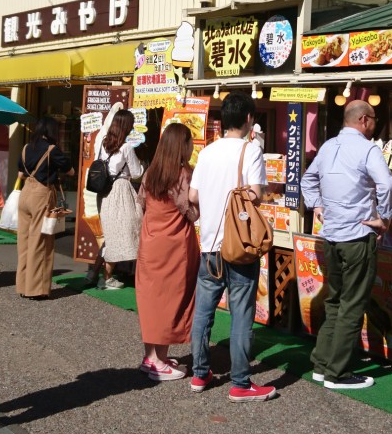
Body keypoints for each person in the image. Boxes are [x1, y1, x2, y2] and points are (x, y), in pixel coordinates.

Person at [301, 100, 392, 390]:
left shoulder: (328, 146)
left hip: (331, 238)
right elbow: (387, 185)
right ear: (364, 120)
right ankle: (338, 373)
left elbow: (308, 179)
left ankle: (322, 364)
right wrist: (386, 218)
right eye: (374, 120)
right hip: (356, 236)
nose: (375, 125)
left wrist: (316, 205)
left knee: (334, 301)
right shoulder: (368, 149)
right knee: (352, 306)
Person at [187, 92, 276, 402]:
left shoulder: (207, 152)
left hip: (209, 245)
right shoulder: (251, 151)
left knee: (204, 313)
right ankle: (240, 382)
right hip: (239, 246)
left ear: (222, 120)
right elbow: (255, 194)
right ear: (249, 119)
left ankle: (199, 374)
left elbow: (194, 196)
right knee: (241, 313)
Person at [134, 122, 199, 381]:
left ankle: (151, 356)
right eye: (190, 141)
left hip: (150, 243)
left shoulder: (152, 171)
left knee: (152, 299)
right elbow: (191, 212)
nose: (192, 145)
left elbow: (141, 202)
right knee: (170, 300)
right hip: (173, 248)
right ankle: (157, 361)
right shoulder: (182, 175)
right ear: (181, 146)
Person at [16, 116, 73, 299]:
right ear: (51, 131)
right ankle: (36, 289)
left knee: (24, 240)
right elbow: (70, 170)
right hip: (41, 195)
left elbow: (20, 174)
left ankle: (23, 286)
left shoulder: (26, 148)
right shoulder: (52, 150)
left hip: (25, 194)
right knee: (40, 241)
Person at [95, 108, 144, 289]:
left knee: (112, 234)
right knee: (134, 229)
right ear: (127, 126)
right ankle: (108, 277)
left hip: (104, 193)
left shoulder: (102, 142)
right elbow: (137, 173)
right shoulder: (126, 147)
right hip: (121, 192)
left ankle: (100, 275)